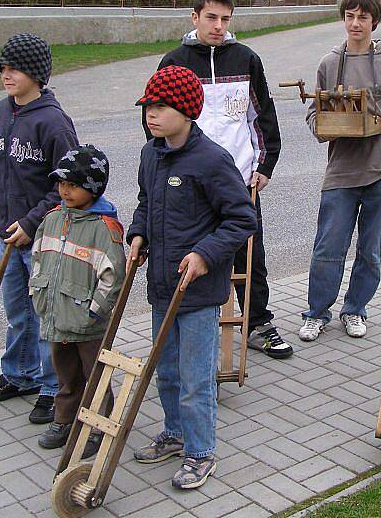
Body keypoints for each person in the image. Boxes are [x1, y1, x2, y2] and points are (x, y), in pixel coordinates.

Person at [142, 0, 292, 359]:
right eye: (211, 17)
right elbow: (154, 121)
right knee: (191, 255)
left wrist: (265, 164)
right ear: (195, 17)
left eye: (226, 19)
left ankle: (258, 322)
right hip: (189, 183)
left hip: (239, 178)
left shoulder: (246, 59)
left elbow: (261, 115)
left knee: (249, 256)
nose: (219, 26)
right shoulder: (174, 61)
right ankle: (187, 334)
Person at [128, 66, 257, 489]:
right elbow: (147, 201)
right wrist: (138, 233)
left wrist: (205, 254)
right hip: (162, 288)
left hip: (198, 293)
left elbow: (241, 220)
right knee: (166, 371)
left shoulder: (211, 161)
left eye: (161, 106)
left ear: (186, 110)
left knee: (195, 378)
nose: (151, 114)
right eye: (148, 105)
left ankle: (201, 452)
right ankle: (175, 433)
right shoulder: (152, 153)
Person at [299, 0, 381, 342]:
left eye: (363, 17)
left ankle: (355, 309)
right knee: (328, 247)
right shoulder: (330, 63)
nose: (355, 23)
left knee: (371, 251)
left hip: (379, 174)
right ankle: (317, 312)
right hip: (341, 172)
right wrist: (325, 127)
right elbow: (314, 113)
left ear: (374, 21)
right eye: (350, 16)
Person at [0, 33, 78, 424]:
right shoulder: (0, 113)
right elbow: (1, 170)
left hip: (44, 236)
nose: (5, 74)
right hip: (7, 233)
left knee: (48, 314)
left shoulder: (54, 122)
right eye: (3, 67)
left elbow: (70, 186)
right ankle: (21, 374)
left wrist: (33, 223)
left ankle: (54, 388)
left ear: (36, 73)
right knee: (19, 310)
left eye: (14, 68)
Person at [30, 144, 126, 457]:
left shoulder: (104, 228)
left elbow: (112, 278)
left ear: (93, 188)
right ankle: (64, 419)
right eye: (61, 184)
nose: (65, 191)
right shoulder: (53, 219)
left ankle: (98, 425)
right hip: (57, 314)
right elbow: (39, 259)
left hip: (88, 321)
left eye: (73, 185)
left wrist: (93, 313)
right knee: (65, 373)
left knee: (95, 373)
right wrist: (39, 295)